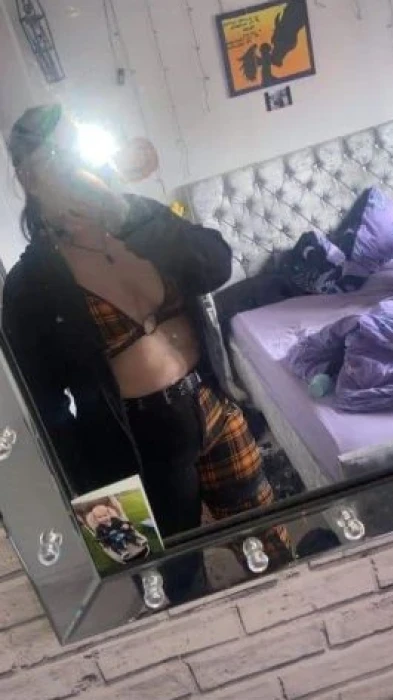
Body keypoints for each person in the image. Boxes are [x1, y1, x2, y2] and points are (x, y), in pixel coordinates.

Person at [2, 104, 290, 596]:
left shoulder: (141, 216)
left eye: (77, 145)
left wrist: (125, 216)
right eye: (56, 154)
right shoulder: (29, 285)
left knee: (271, 540)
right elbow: (46, 410)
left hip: (213, 403)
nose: (74, 162)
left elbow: (216, 265)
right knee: (169, 584)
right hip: (136, 442)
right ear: (28, 177)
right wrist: (95, 499)